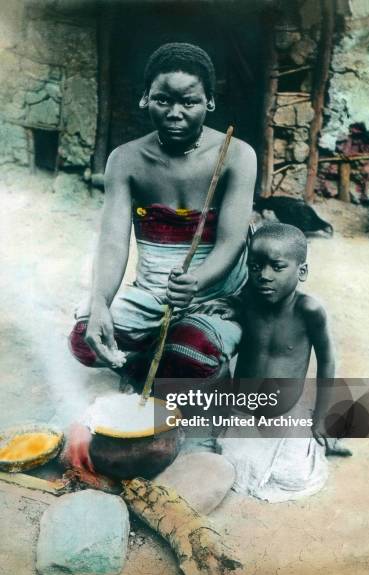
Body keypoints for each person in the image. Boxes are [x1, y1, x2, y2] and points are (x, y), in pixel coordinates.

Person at [65, 42, 257, 472]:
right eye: (163, 100)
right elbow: (114, 242)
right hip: (153, 291)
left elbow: (230, 242)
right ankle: (154, 355)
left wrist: (200, 279)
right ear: (145, 99)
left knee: (194, 353)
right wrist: (99, 304)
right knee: (85, 339)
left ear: (208, 102)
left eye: (189, 101)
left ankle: (198, 357)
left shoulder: (237, 155)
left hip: (212, 292)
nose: (175, 112)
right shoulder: (126, 160)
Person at [216, 222, 351, 502]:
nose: (264, 276)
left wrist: (321, 418)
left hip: (284, 417)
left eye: (277, 267)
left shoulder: (308, 311)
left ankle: (323, 440)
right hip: (242, 416)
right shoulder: (246, 302)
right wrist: (228, 306)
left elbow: (327, 361)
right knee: (227, 463)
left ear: (301, 271)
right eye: (255, 266)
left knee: (294, 476)